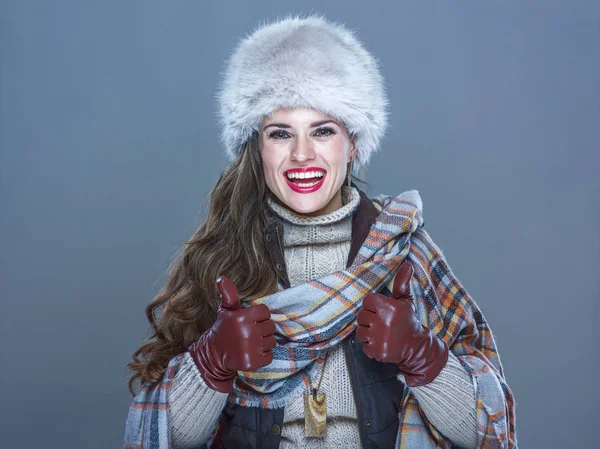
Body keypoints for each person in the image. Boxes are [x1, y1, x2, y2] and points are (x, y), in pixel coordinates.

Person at [124, 15, 517, 449]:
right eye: (280, 133)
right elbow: (163, 439)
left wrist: (422, 356)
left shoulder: (404, 254)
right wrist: (211, 365)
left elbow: (487, 434)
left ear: (351, 144)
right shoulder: (220, 261)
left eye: (323, 130)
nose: (302, 154)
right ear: (257, 148)